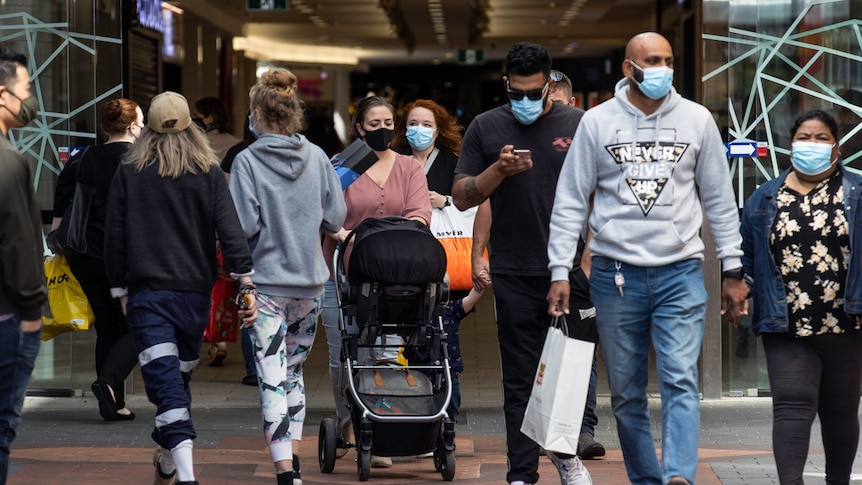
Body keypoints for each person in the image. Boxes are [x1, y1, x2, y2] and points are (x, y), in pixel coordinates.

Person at [546, 32, 749, 485]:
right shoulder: (596, 123)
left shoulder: (696, 121)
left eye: (667, 60)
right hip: (615, 275)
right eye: (651, 60)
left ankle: (678, 475)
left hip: (680, 272)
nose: (661, 68)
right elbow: (571, 200)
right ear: (628, 68)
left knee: (680, 379)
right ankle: (646, 479)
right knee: (626, 393)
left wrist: (733, 268)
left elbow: (719, 200)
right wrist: (560, 268)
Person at [452, 41, 593, 485]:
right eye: (517, 93)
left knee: (567, 375)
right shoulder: (486, 126)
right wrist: (499, 170)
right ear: (506, 85)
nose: (526, 102)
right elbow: (461, 197)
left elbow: (603, 197)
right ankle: (522, 473)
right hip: (514, 270)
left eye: (535, 93)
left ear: (550, 84)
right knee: (520, 379)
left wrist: (587, 264)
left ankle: (565, 455)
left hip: (570, 270)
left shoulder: (578, 124)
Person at [104, 91, 257, 485]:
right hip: (193, 295)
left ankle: (169, 463)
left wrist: (119, 289)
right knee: (172, 383)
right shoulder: (207, 169)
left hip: (147, 295)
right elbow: (231, 230)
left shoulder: (130, 171)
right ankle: (187, 476)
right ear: (192, 126)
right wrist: (245, 281)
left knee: (171, 385)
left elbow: (115, 236)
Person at [229, 68, 346, 485]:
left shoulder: (247, 161)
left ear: (258, 113)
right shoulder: (316, 155)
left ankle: (284, 472)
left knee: (271, 376)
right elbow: (335, 216)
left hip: (266, 284)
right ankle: (292, 463)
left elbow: (242, 225)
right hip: (311, 284)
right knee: (292, 372)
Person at [738, 109, 862, 485]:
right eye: (804, 137)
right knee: (792, 402)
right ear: (791, 144)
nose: (812, 144)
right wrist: (739, 285)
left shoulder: (857, 192)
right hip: (784, 321)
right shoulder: (764, 197)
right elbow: (747, 253)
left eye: (821, 138)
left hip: (847, 321)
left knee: (840, 410)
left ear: (836, 147)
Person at [321, 95, 431, 469]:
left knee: (384, 347)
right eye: (374, 124)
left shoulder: (408, 167)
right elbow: (323, 209)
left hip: (392, 274)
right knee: (345, 352)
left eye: (388, 123)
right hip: (342, 270)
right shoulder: (343, 165)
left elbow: (420, 213)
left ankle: (383, 422)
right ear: (359, 129)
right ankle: (349, 421)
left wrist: (394, 235)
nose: (382, 130)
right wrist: (344, 234)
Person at [52, 98, 143, 422]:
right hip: (127, 259)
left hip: (86, 257)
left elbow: (59, 217)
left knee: (108, 328)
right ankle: (108, 382)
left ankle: (113, 403)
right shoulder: (141, 161)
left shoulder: (81, 159)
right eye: (141, 123)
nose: (144, 129)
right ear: (132, 126)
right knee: (140, 325)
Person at [545, 69, 606, 460]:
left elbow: (603, 200)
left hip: (579, 267)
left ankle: (582, 430)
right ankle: (545, 428)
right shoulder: (524, 139)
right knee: (542, 348)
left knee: (582, 348)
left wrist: (586, 261)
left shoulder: (588, 139)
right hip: (534, 265)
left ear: (572, 104)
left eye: (555, 103)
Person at [0, 47, 46, 485]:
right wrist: (33, 313)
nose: (32, 100)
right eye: (27, 89)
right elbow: (18, 245)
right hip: (8, 319)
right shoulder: (9, 162)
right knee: (1, 425)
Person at [193, 96, 243, 367]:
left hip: (204, 219)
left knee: (210, 282)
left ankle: (216, 339)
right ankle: (222, 334)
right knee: (228, 281)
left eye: (197, 113)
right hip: (229, 219)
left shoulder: (198, 143)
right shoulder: (236, 145)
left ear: (208, 118)